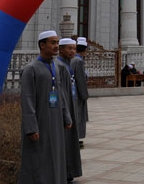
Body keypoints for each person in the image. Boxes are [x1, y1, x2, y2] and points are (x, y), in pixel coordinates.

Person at [19, 30, 72, 184]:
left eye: (57, 42)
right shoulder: (31, 69)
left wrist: (66, 116)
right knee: (38, 158)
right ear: (42, 45)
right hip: (40, 122)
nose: (57, 46)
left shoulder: (55, 67)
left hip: (55, 121)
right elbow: (27, 99)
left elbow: (60, 93)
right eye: (53, 43)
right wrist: (31, 127)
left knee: (55, 155)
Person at [56, 38, 82, 182]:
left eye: (74, 48)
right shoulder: (59, 66)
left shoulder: (68, 64)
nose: (72, 51)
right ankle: (65, 173)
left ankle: (70, 172)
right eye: (69, 48)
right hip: (65, 109)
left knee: (70, 142)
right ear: (61, 49)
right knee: (65, 143)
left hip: (71, 106)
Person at [71, 37, 89, 148]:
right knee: (78, 115)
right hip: (77, 93)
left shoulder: (73, 59)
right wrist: (84, 94)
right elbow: (80, 79)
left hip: (72, 91)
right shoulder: (78, 61)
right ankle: (75, 138)